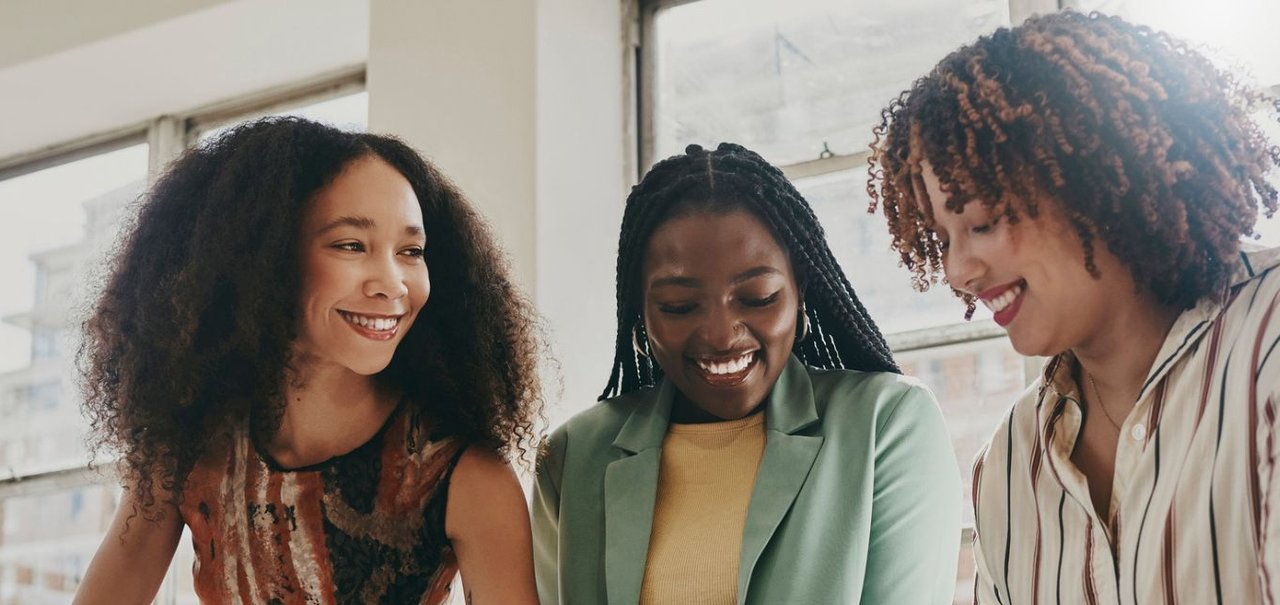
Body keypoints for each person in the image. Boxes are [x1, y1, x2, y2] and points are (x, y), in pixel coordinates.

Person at [868, 11, 1280, 602]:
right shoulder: (1011, 463)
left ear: (1089, 182)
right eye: (942, 238)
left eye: (981, 223)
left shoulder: (1267, 342)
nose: (958, 271)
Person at [72, 117, 543, 605]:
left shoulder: (465, 473)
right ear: (263, 258)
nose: (392, 282)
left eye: (411, 251)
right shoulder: (188, 449)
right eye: (351, 245)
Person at [533, 142, 961, 604]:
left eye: (757, 297)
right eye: (679, 306)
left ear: (801, 291)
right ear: (640, 313)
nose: (720, 335)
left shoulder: (887, 424)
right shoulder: (573, 457)